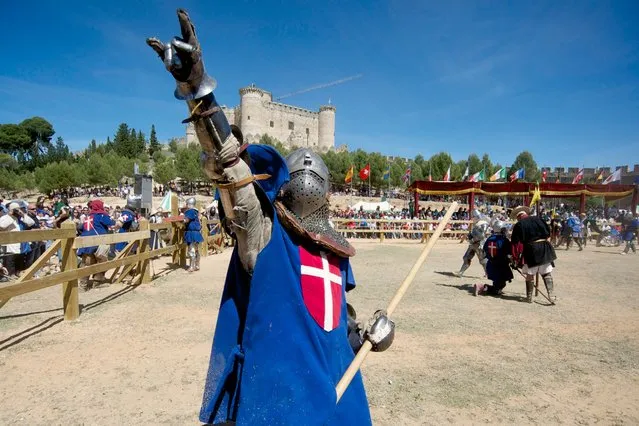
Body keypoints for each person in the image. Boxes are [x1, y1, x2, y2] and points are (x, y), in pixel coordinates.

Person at [147, 10, 394, 425]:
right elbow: (233, 174)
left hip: (333, 400)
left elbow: (333, 327)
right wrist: (197, 92)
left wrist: (368, 335)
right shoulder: (264, 235)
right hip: (276, 402)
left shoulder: (334, 251)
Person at [510, 206, 558, 304]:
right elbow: (548, 233)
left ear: (518, 216)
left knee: (530, 274)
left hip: (530, 249)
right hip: (544, 247)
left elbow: (515, 243)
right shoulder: (538, 219)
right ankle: (551, 296)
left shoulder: (519, 225)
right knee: (546, 273)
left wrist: (515, 258)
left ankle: (529, 297)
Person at [76, 200, 115, 291]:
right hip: (98, 242)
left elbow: (80, 228)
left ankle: (83, 286)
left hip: (86, 243)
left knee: (86, 263)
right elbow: (112, 224)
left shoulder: (88, 217)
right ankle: (97, 281)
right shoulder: (102, 215)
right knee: (103, 260)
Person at [475, 220, 514, 297]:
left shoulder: (489, 238)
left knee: (499, 282)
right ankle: (482, 286)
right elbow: (509, 252)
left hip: (491, 264)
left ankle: (492, 288)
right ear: (501, 229)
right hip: (501, 265)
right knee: (500, 285)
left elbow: (485, 250)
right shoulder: (503, 240)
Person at [453, 210, 489, 277]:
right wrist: (470, 236)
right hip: (473, 244)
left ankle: (488, 273)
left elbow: (481, 236)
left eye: (473, 217)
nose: (472, 218)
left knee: (483, 260)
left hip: (479, 244)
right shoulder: (476, 224)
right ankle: (461, 272)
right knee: (466, 258)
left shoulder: (482, 224)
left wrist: (472, 239)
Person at [183, 197, 204, 272]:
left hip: (191, 233)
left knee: (191, 250)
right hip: (196, 232)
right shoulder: (196, 211)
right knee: (196, 249)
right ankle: (197, 265)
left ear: (189, 204)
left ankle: (192, 266)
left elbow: (186, 220)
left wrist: (181, 219)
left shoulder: (191, 211)